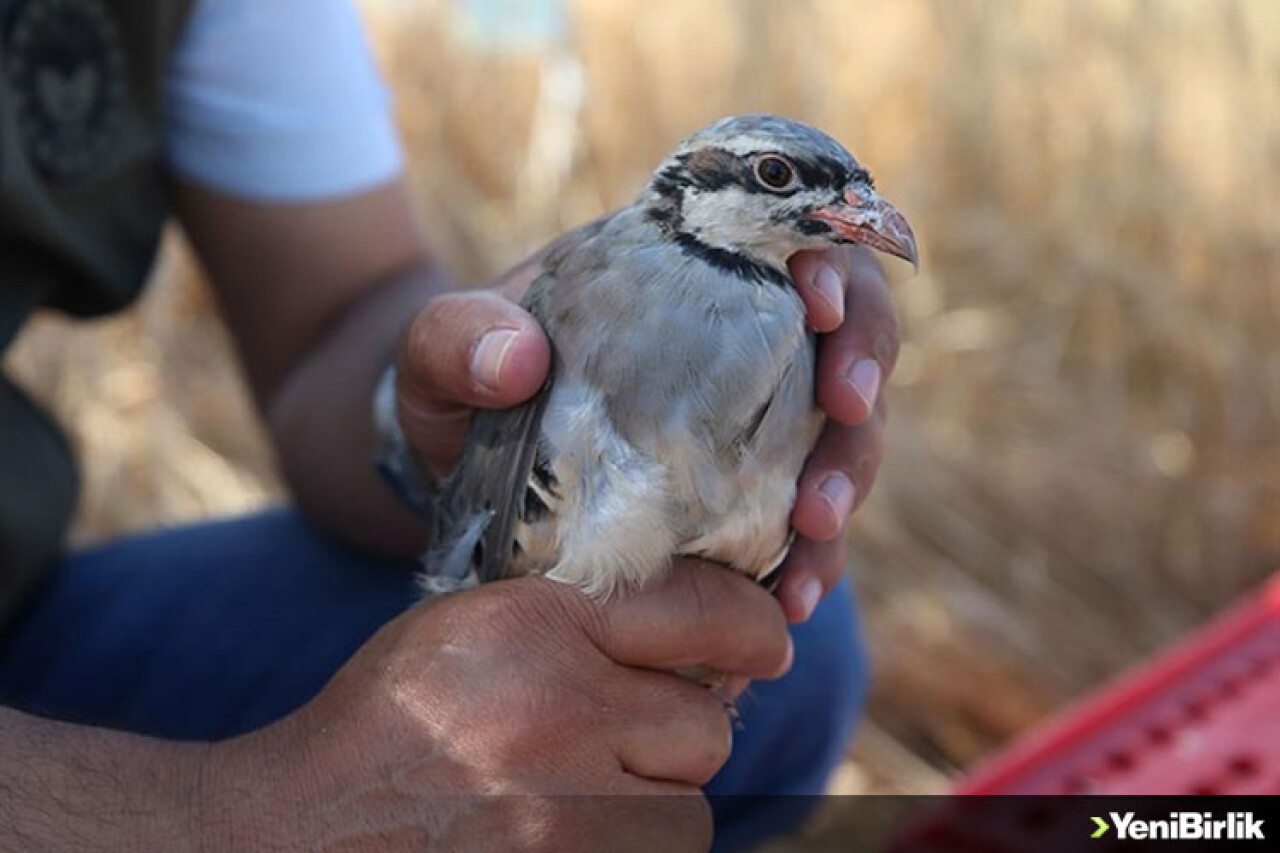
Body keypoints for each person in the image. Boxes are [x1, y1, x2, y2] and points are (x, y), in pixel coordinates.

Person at [0, 1, 899, 850]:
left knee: (781, 651)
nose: (841, 216)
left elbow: (335, 317)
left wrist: (431, 399)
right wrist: (243, 818)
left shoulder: (713, 294)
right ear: (693, 186)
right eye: (776, 180)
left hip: (24, 605)